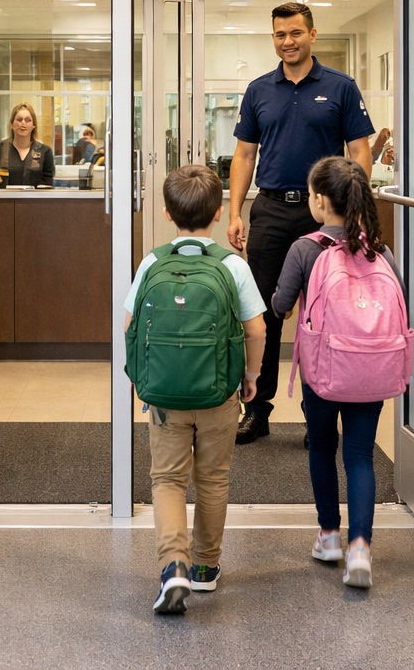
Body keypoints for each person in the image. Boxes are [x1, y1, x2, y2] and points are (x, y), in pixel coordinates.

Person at [227, 0, 375, 445]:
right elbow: (244, 155)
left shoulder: (340, 86)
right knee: (264, 313)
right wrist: (235, 211)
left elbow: (359, 151)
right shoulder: (258, 90)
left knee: (324, 314)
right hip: (271, 209)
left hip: (325, 215)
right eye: (280, 34)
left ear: (312, 34)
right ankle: (257, 410)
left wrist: (352, 209)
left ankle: (319, 414)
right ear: (273, 38)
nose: (287, 41)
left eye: (295, 33)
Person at [122, 164, 267, 615]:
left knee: (167, 479)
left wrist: (142, 377)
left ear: (167, 213)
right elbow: (256, 330)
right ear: (219, 212)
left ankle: (174, 565)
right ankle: (205, 567)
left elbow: (129, 326)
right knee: (212, 477)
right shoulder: (233, 265)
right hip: (219, 393)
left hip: (164, 396)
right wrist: (251, 377)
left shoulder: (152, 262)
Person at [270, 156, 405, 590]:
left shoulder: (305, 249)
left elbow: (280, 305)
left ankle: (329, 535)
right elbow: (400, 302)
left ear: (320, 201)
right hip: (371, 369)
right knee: (360, 455)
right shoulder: (380, 250)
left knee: (323, 447)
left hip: (324, 373)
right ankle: (360, 548)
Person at [0, 103, 55, 187]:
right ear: (12, 124)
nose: (23, 123)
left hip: (34, 196)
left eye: (28, 120)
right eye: (19, 119)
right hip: (4, 195)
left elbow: (47, 185)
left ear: (33, 126)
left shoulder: (45, 152)